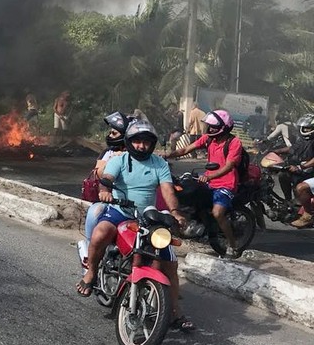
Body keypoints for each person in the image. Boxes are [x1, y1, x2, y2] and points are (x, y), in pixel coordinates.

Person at [78, 119, 193, 332]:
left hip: (148, 217)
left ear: (152, 144)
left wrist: (175, 212)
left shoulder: (159, 164)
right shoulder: (120, 160)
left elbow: (167, 189)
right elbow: (107, 178)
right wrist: (105, 191)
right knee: (100, 234)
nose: (142, 146)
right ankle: (91, 273)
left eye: (146, 142)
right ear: (130, 142)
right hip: (120, 212)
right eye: (137, 141)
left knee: (169, 263)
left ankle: (175, 310)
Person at [165, 109, 242, 257]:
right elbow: (187, 149)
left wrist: (210, 176)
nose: (210, 129)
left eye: (213, 126)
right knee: (186, 193)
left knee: (217, 213)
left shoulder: (234, 142)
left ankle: (233, 245)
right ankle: (197, 225)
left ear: (224, 127)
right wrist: (168, 155)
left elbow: (229, 166)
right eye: (209, 126)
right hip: (208, 180)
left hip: (226, 184)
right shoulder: (208, 139)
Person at [82, 112, 130, 248]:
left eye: (114, 134)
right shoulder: (107, 153)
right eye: (110, 133)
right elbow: (98, 174)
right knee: (94, 212)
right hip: (111, 202)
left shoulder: (138, 153)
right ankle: (90, 250)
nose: (110, 136)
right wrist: (112, 160)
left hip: (135, 205)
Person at [279, 114, 314, 228]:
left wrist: (300, 167)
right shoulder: (303, 139)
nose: (303, 130)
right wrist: (275, 151)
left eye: (306, 128)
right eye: (303, 128)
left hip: (310, 171)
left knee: (301, 188)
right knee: (283, 174)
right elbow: (292, 148)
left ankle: (308, 216)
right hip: (304, 170)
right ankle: (288, 201)